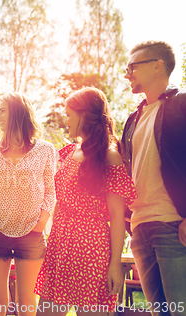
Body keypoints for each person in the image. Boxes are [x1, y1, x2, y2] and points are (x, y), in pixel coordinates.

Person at [35, 87, 137, 315]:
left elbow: (117, 217)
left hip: (91, 250)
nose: (66, 120)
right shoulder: (67, 152)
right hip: (59, 247)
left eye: (70, 114)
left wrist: (115, 265)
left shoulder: (109, 156)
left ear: (84, 115)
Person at [121, 40, 186, 315]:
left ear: (158, 65)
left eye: (132, 66)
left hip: (173, 225)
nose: (127, 74)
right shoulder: (132, 119)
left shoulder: (181, 105)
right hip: (140, 227)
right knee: (159, 312)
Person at [0, 92, 56, 316]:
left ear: (17, 113)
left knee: (25, 302)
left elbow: (50, 191)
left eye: (2, 110)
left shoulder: (45, 150)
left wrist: (42, 220)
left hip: (31, 234)